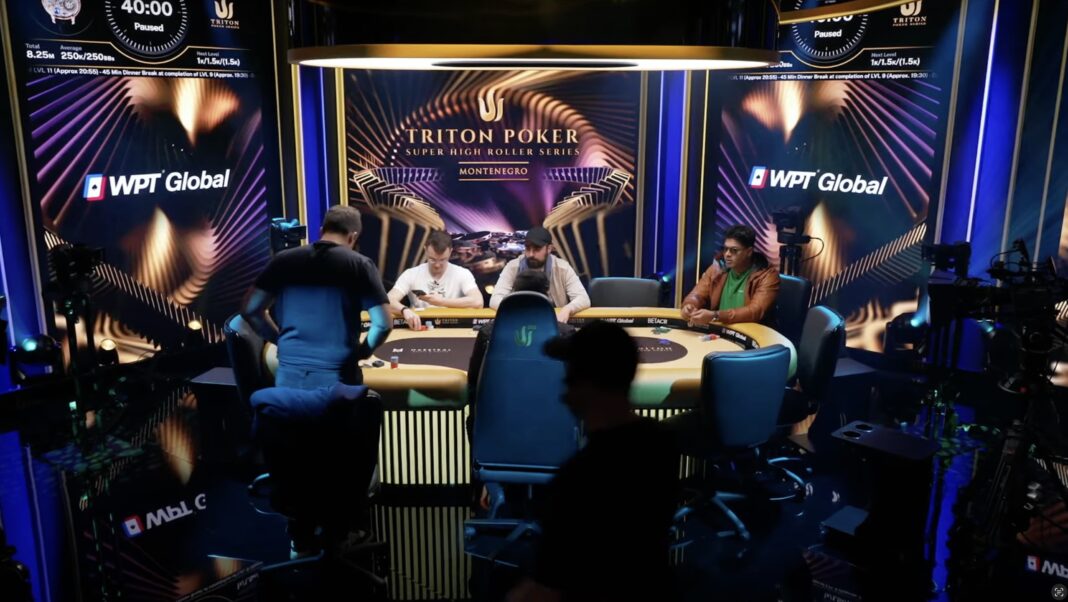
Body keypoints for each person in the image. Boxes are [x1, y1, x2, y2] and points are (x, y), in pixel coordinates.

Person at [507, 321, 680, 601]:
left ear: (588, 385)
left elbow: (545, 591)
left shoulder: (577, 479)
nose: (564, 391)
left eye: (571, 376)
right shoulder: (662, 443)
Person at [242, 205, 393, 388]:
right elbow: (383, 324)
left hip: (289, 378)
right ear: (352, 237)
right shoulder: (360, 265)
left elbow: (251, 310)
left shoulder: (282, 260)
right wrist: (363, 352)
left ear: (321, 231)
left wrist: (280, 340)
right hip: (338, 380)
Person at [467, 269, 576, 422]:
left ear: (514, 292)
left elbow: (474, 382)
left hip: (498, 422)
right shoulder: (566, 334)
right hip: (555, 423)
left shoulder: (488, 333)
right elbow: (578, 384)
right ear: (547, 294)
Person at [681, 224, 780, 325]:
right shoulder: (717, 268)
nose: (727, 254)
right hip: (720, 329)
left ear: (749, 252)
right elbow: (697, 295)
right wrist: (690, 305)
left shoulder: (767, 275)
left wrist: (716, 316)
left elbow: (755, 311)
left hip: (751, 332)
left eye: (734, 250)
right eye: (725, 249)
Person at [490, 226, 590, 323]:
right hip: (520, 322)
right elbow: (495, 299)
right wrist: (515, 311)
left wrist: (567, 309)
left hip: (554, 323)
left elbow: (583, 298)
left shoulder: (563, 268)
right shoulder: (512, 267)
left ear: (549, 248)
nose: (531, 254)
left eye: (537, 249)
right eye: (528, 248)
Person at [388, 230, 483, 330]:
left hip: (453, 329)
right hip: (419, 328)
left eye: (442, 260)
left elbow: (478, 302)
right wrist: (404, 310)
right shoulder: (411, 274)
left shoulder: (462, 273)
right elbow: (388, 301)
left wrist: (441, 302)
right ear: (425, 250)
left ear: (450, 252)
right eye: (432, 259)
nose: (437, 265)